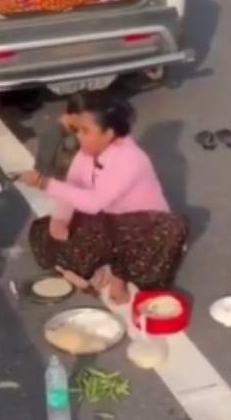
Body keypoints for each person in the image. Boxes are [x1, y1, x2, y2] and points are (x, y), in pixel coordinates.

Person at [18, 94, 188, 305]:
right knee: (42, 233)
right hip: (108, 225)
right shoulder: (86, 153)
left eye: (86, 131)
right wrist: (60, 221)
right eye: (79, 130)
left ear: (109, 133)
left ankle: (120, 274)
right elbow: (73, 187)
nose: (79, 137)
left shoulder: (130, 158)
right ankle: (104, 267)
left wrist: (44, 183)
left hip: (142, 228)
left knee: (171, 229)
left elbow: (94, 203)